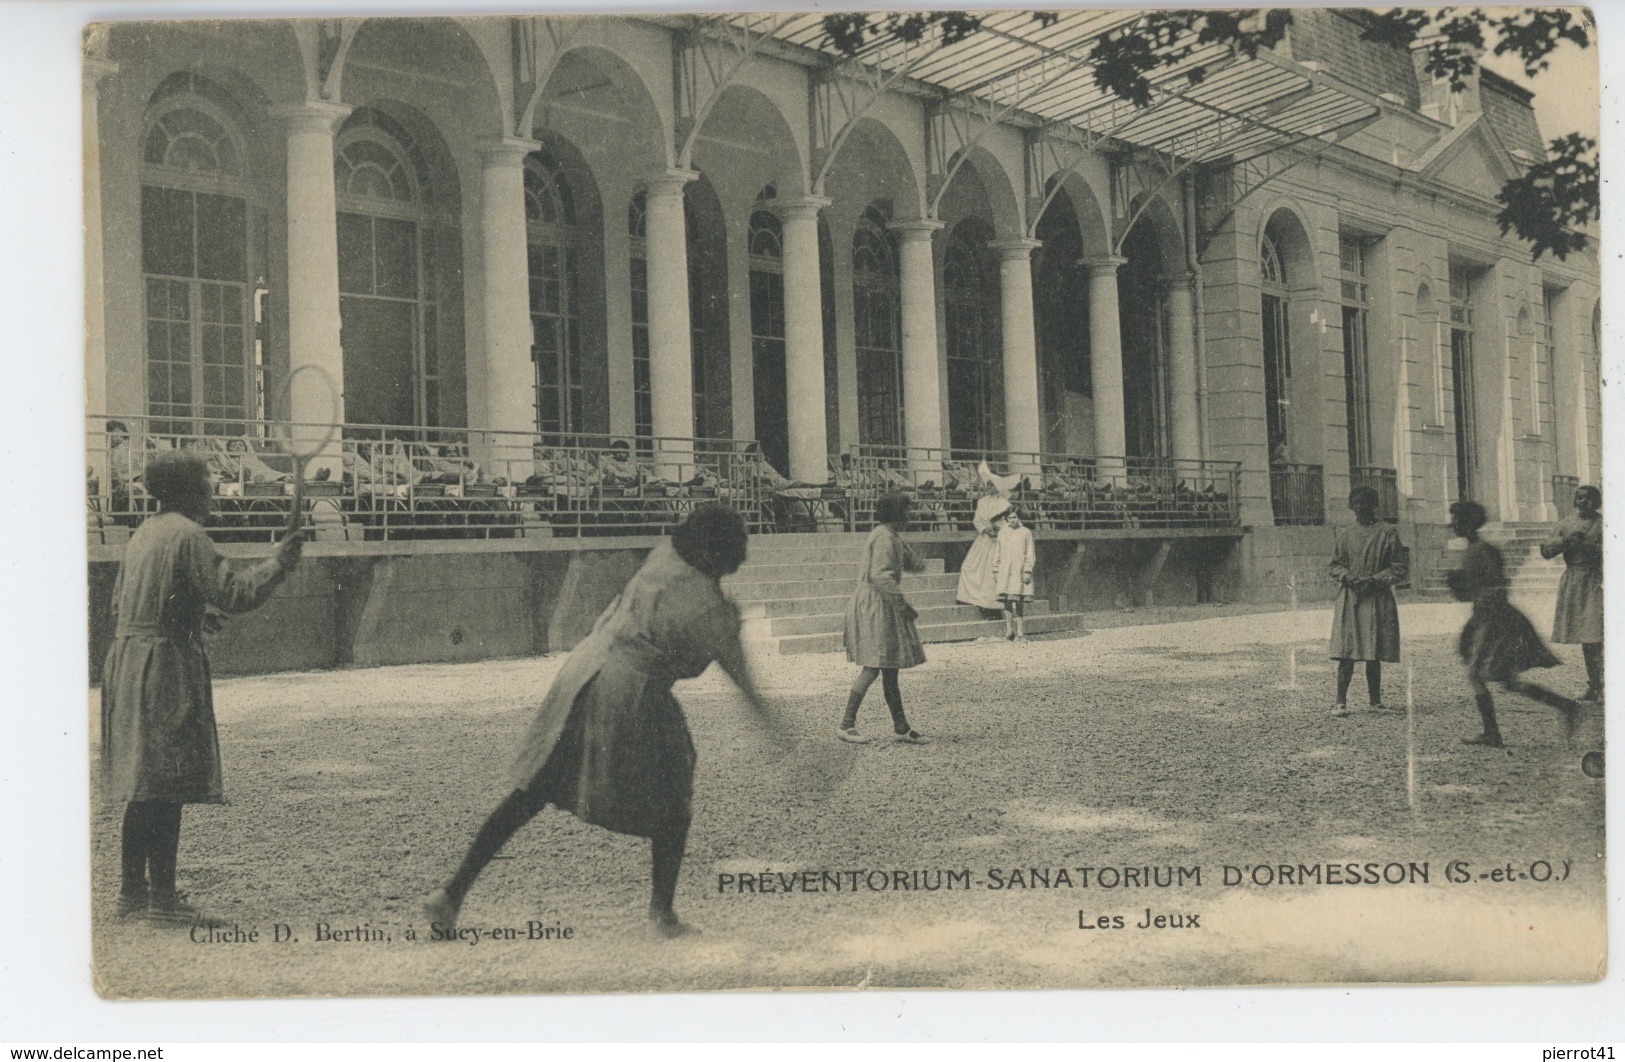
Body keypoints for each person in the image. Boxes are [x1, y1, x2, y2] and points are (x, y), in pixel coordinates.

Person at [424, 505, 791, 939]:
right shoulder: (711, 611)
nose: (743, 554)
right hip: (629, 691)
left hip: (586, 668)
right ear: (723, 551)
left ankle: (452, 894)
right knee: (675, 797)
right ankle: (662, 916)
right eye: (739, 545)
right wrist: (786, 741)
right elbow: (746, 687)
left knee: (532, 789)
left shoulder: (662, 560)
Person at [101, 450, 305, 923]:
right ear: (190, 490)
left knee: (143, 785)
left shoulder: (144, 533)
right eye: (207, 482)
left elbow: (125, 603)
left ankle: (131, 897)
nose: (212, 490)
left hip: (129, 663)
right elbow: (237, 593)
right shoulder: (189, 535)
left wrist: (194, 613)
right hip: (163, 667)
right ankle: (164, 902)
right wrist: (279, 563)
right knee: (167, 785)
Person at [1445, 500, 1578, 748]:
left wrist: (1482, 613)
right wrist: (1457, 585)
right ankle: (1565, 705)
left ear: (1469, 522)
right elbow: (1468, 593)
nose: (1452, 524)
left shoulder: (1484, 550)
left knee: (1476, 674)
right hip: (1487, 617)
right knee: (1508, 681)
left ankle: (1492, 733)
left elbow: (1498, 587)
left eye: (1457, 520)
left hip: (1495, 619)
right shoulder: (1473, 549)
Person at [838, 492, 927, 744]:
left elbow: (904, 561)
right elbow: (880, 575)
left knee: (890, 667)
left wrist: (916, 563)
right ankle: (846, 724)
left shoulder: (890, 536)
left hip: (881, 603)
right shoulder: (884, 537)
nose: (909, 517)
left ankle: (900, 726)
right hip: (876, 604)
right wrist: (902, 604)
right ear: (896, 515)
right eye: (906, 513)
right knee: (873, 666)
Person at [1327, 486, 1407, 717]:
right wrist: (1349, 577)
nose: (1361, 507)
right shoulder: (1345, 534)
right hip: (1351, 596)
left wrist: (1375, 580)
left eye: (1366, 503)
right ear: (1351, 506)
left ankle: (1376, 701)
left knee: (1374, 648)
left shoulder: (1388, 532)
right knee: (1347, 649)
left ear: (1374, 505)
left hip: (1376, 595)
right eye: (1357, 503)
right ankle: (1340, 701)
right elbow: (1334, 564)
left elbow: (1399, 567)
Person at [1541, 485, 1603, 703]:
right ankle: (1596, 687)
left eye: (1587, 498)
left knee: (1599, 637)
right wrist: (1566, 540)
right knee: (1589, 638)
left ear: (1595, 501)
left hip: (1598, 580)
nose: (1582, 501)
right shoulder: (1565, 524)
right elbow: (1546, 552)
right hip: (1576, 582)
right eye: (1579, 497)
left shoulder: (1604, 524)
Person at [955, 490, 1011, 618]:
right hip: (984, 539)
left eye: (995, 485)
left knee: (992, 573)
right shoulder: (982, 502)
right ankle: (968, 597)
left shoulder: (1005, 503)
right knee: (969, 567)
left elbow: (1009, 523)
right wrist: (985, 529)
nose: (992, 487)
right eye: (990, 484)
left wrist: (999, 531)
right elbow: (977, 521)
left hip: (998, 540)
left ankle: (993, 607)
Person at [991, 507, 1037, 641]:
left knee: (1019, 601)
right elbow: (997, 552)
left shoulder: (1025, 532)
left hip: (1020, 570)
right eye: (1009, 518)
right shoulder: (1003, 533)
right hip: (1006, 571)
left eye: (1014, 517)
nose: (1012, 520)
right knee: (1007, 601)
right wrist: (995, 569)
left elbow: (1030, 552)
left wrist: (1028, 570)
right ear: (1006, 519)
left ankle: (1020, 632)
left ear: (1019, 518)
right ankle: (1009, 631)